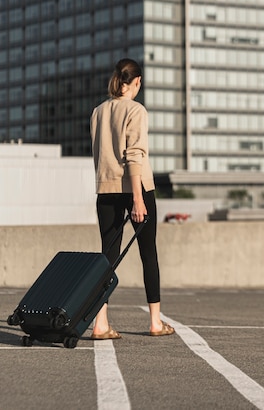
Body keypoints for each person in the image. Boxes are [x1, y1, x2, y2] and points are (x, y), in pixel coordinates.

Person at [89, 58, 174, 339]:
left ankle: (100, 323)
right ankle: (155, 322)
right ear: (136, 81)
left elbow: (100, 156)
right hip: (137, 188)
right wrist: (138, 198)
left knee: (107, 258)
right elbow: (134, 155)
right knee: (148, 254)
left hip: (106, 191)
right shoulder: (136, 110)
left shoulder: (98, 112)